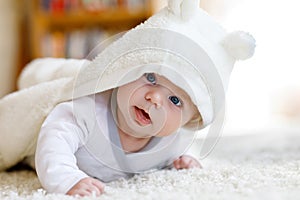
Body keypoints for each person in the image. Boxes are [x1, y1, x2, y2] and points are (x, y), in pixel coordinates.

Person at [0, 0, 255, 197]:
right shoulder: (87, 110)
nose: (154, 98)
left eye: (175, 101)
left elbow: (170, 157)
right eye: (151, 78)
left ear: (191, 120)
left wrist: (181, 161)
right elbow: (53, 139)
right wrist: (67, 179)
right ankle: (39, 73)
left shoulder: (172, 140)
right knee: (61, 81)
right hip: (35, 145)